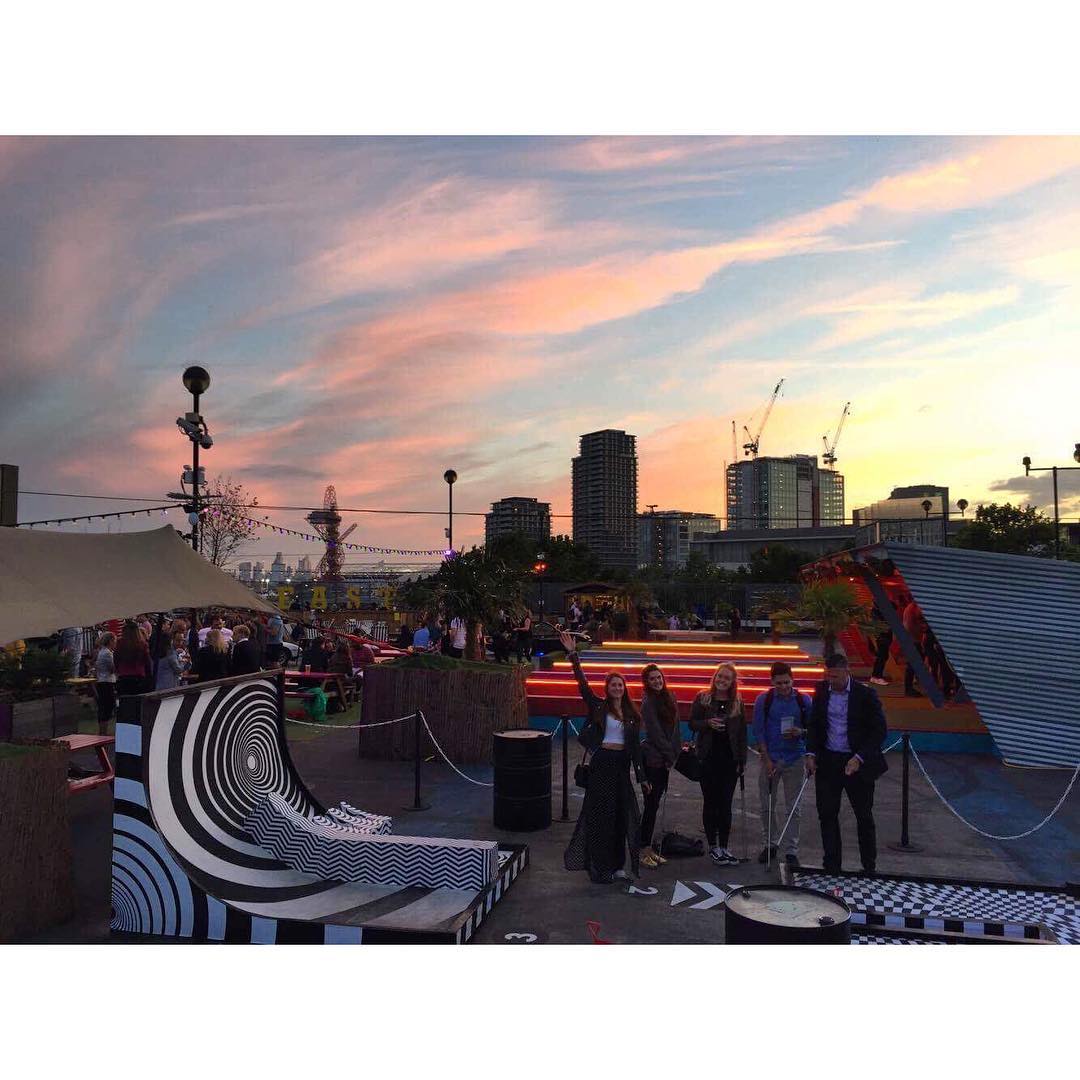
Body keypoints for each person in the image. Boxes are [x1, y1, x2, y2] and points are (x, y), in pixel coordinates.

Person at [559, 631, 648, 884]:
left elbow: (635, 750)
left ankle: (619, 865)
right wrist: (573, 656)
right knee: (600, 817)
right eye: (613, 684)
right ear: (607, 688)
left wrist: (642, 777)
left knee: (621, 817)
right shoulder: (599, 706)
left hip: (621, 767)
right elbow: (582, 685)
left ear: (624, 688)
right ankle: (600, 866)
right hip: (602, 764)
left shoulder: (633, 715)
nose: (617, 688)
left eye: (620, 684)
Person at [805, 653, 888, 874]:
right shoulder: (822, 691)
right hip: (829, 761)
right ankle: (832, 864)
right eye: (829, 676)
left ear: (847, 672)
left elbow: (879, 731)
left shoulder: (865, 695)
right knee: (827, 813)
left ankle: (868, 866)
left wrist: (859, 757)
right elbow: (814, 724)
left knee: (864, 815)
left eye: (836, 677)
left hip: (856, 762)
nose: (831, 681)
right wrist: (811, 753)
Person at [751, 661, 811, 867]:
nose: (783, 687)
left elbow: (813, 728)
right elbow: (759, 730)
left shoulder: (804, 700)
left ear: (792, 680)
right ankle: (770, 844)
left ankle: (791, 849)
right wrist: (766, 759)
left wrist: (801, 732)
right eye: (779, 683)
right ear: (772, 682)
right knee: (767, 805)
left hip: (795, 758)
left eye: (786, 682)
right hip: (771, 759)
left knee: (794, 807)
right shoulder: (764, 700)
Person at [690, 662, 747, 866]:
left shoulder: (737, 702)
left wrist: (742, 761)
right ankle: (713, 846)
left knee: (726, 804)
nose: (722, 680)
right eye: (720, 676)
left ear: (732, 682)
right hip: (707, 757)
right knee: (710, 802)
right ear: (715, 677)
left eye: (727, 678)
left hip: (729, 760)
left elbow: (742, 734)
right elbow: (692, 723)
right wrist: (708, 723)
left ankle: (724, 845)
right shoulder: (703, 698)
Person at [638, 663, 681, 869]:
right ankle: (643, 849)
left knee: (655, 804)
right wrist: (670, 755)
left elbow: (675, 728)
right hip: (653, 760)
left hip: (665, 759)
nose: (657, 681)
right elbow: (655, 733)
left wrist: (675, 753)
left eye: (658, 677)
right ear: (646, 682)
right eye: (652, 679)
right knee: (650, 805)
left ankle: (648, 847)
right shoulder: (648, 702)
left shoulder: (670, 696)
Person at [114, 620, 153, 696]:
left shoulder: (120, 643)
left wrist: (118, 670)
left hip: (124, 677)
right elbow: (147, 662)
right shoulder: (142, 644)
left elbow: (116, 659)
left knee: (125, 700)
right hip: (139, 677)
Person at [901, 597, 927, 697]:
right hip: (914, 640)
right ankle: (908, 689)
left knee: (913, 665)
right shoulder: (912, 609)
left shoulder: (910, 608)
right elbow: (910, 626)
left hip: (912, 639)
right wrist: (920, 634)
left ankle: (909, 687)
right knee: (912, 665)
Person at [93, 631, 117, 735]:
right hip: (106, 681)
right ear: (110, 641)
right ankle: (103, 731)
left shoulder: (101, 652)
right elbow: (112, 668)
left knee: (104, 706)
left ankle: (103, 731)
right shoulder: (107, 653)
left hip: (102, 681)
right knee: (107, 706)